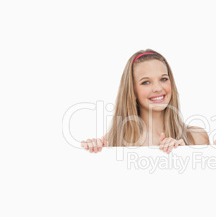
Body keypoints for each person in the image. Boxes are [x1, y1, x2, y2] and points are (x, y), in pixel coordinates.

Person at [81, 49, 209, 153]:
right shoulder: (113, 141)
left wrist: (184, 154)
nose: (158, 88)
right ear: (132, 91)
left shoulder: (196, 138)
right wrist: (92, 153)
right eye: (146, 82)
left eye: (163, 79)